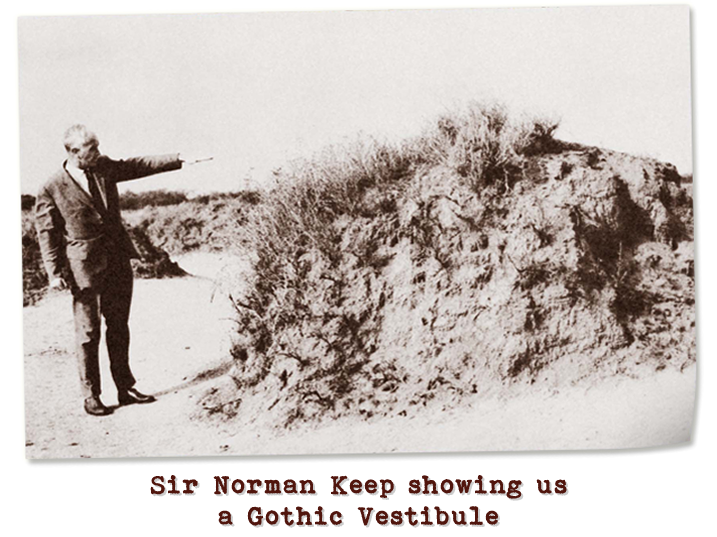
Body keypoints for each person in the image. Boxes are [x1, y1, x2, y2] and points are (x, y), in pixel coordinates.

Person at [34, 124, 205, 416]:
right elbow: (46, 233)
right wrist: (53, 273)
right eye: (93, 148)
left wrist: (179, 158)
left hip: (117, 261)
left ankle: (125, 388)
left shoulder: (104, 168)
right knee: (88, 333)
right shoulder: (51, 187)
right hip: (83, 268)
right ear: (74, 152)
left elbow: (136, 165)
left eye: (98, 147)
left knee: (119, 327)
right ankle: (91, 395)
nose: (99, 152)